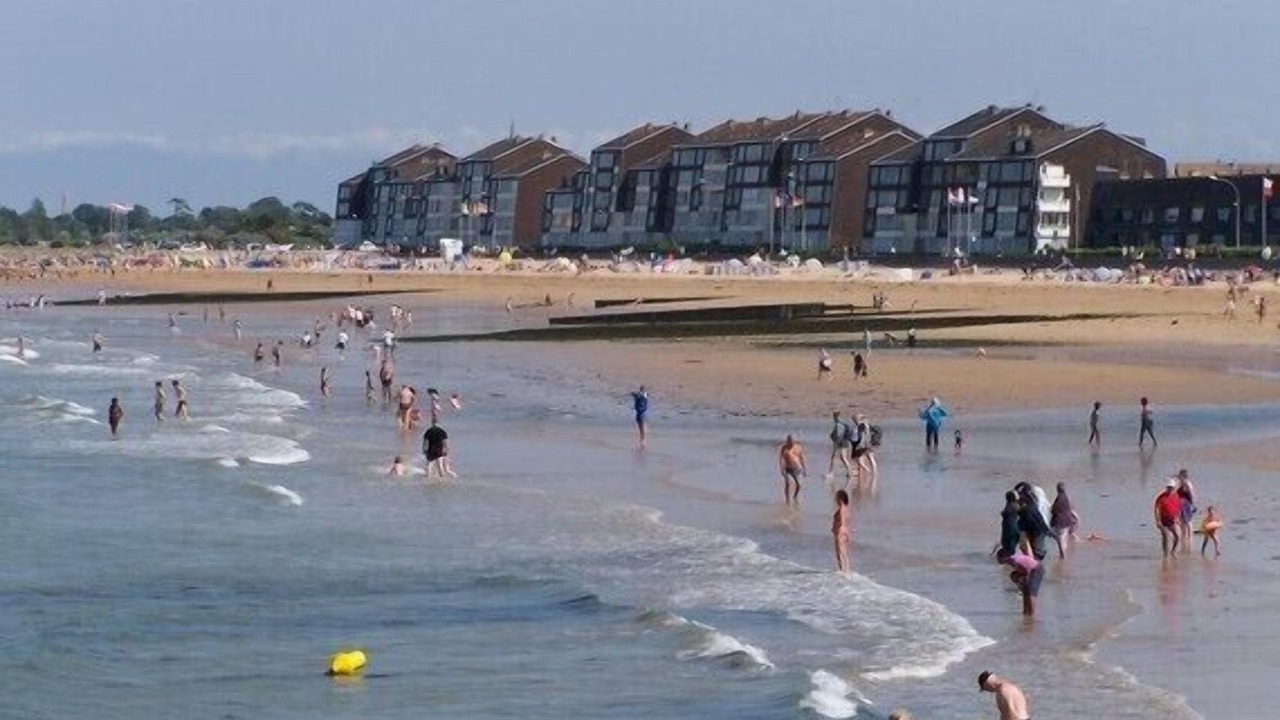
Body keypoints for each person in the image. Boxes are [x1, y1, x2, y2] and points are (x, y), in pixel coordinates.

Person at [1001, 549, 1043, 616]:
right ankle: (1026, 611)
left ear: (1004, 557)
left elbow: (1027, 570)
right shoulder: (1012, 561)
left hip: (1036, 569)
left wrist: (1025, 580)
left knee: (1031, 593)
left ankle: (1031, 613)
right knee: (1025, 592)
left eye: (999, 559)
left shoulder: (1015, 561)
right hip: (1031, 570)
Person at [1154, 479, 1182, 557]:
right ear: (1167, 487)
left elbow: (1178, 507)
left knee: (1178, 536)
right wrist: (1158, 521)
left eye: (1172, 488)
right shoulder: (1161, 497)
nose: (1170, 489)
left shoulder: (1176, 496)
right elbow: (1157, 509)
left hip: (1173, 520)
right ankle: (1165, 554)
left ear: (1174, 488)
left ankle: (1173, 552)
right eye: (1169, 487)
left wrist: (1178, 518)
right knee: (1166, 536)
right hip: (1163, 520)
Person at [825, 411, 856, 480]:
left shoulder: (839, 425)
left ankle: (831, 473)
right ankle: (850, 472)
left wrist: (836, 444)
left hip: (840, 443)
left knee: (834, 458)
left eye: (834, 416)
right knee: (843, 458)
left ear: (836, 417)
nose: (834, 418)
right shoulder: (843, 423)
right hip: (845, 442)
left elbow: (839, 435)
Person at [778, 434, 806, 505]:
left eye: (791, 441)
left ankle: (795, 497)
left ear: (794, 441)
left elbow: (802, 458)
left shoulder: (798, 448)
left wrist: (804, 469)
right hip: (786, 468)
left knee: (798, 485)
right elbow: (781, 458)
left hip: (796, 468)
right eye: (788, 440)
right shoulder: (784, 447)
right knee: (788, 483)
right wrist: (781, 466)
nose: (790, 442)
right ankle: (787, 500)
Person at [1050, 482, 1080, 547]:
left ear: (1057, 489)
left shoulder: (1059, 498)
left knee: (1061, 539)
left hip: (1062, 522)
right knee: (1066, 537)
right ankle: (1068, 549)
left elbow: (1053, 510)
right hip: (1067, 521)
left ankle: (1062, 555)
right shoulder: (1065, 497)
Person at [1175, 469, 1197, 552]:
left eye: (1180, 476)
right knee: (1182, 522)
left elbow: (1192, 494)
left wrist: (1193, 504)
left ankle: (1190, 538)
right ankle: (1183, 538)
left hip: (1187, 504)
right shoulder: (1182, 484)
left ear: (1183, 476)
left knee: (1188, 522)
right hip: (1181, 504)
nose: (1179, 478)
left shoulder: (1188, 483)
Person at [831, 489, 851, 572]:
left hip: (840, 532)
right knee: (844, 553)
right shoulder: (846, 508)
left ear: (840, 498)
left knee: (840, 553)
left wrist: (839, 531)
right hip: (844, 532)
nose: (835, 499)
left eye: (836, 497)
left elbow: (842, 522)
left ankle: (842, 571)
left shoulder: (842, 509)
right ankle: (847, 570)